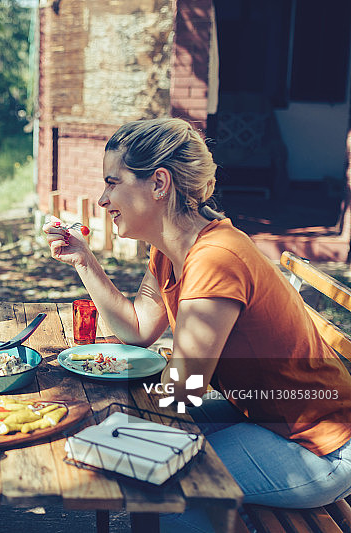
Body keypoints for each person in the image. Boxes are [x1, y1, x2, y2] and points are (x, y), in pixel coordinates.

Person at [44, 117, 351, 532]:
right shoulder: (170, 250)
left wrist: (113, 416)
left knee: (163, 488)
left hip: (320, 447)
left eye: (112, 183)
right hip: (264, 416)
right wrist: (85, 261)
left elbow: (183, 388)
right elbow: (138, 329)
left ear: (159, 183)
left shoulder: (215, 259)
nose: (102, 199)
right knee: (130, 443)